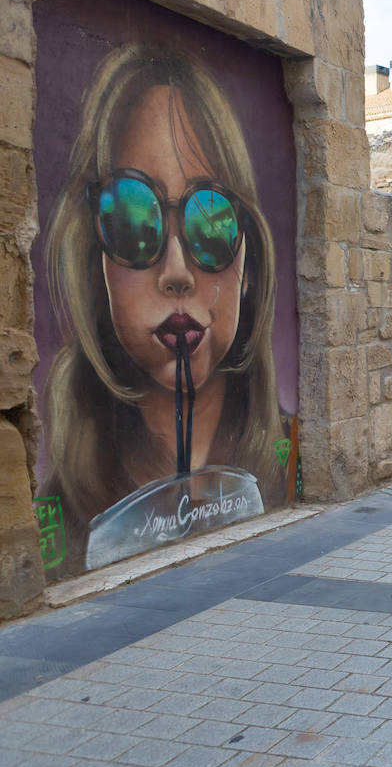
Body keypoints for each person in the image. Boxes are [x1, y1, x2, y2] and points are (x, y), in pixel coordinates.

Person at [39, 45, 288, 572]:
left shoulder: (299, 458)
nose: (176, 271)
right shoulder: (49, 524)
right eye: (132, 219)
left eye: (212, 219)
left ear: (249, 261)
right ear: (95, 262)